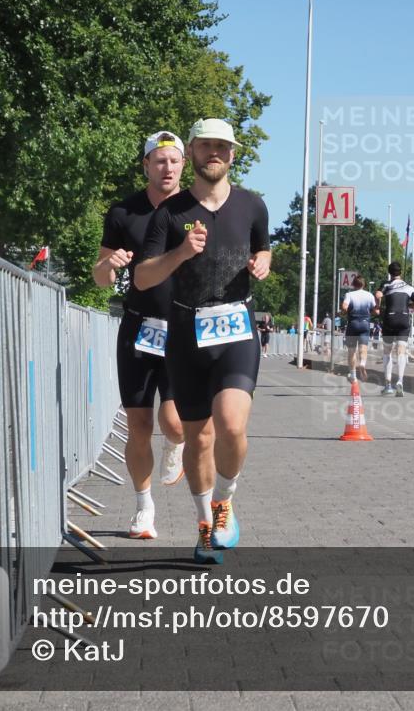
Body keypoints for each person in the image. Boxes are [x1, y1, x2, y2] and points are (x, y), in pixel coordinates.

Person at [135, 118, 271, 565]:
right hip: (185, 333)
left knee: (231, 424)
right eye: (207, 145)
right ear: (193, 151)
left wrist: (263, 261)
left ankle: (225, 501)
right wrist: (180, 253)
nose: (215, 152)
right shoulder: (169, 214)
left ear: (233, 155)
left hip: (236, 329)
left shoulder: (253, 205)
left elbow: (262, 245)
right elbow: (141, 277)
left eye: (223, 147)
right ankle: (203, 526)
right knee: (199, 439)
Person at [93, 131, 187, 540]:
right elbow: (100, 278)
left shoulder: (196, 208)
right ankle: (143, 507)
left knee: (174, 422)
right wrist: (109, 264)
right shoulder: (123, 212)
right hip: (138, 325)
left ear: (184, 165)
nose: (167, 168)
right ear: (146, 165)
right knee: (138, 424)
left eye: (174, 160)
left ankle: (177, 445)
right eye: (159, 161)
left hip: (183, 328)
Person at [374, 261, 414, 397]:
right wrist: (408, 306)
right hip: (404, 319)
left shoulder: (386, 284)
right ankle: (400, 381)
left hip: (390, 318)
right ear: (400, 272)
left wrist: (378, 306)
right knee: (401, 351)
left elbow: (378, 295)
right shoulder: (409, 287)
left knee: (387, 352)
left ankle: (388, 384)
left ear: (390, 273)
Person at [341, 277, 374, 383]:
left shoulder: (349, 295)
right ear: (364, 285)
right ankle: (363, 364)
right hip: (365, 323)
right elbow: (375, 310)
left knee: (351, 351)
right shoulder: (369, 295)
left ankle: (353, 375)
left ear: (354, 285)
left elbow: (344, 306)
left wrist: (343, 311)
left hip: (353, 324)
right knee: (363, 348)